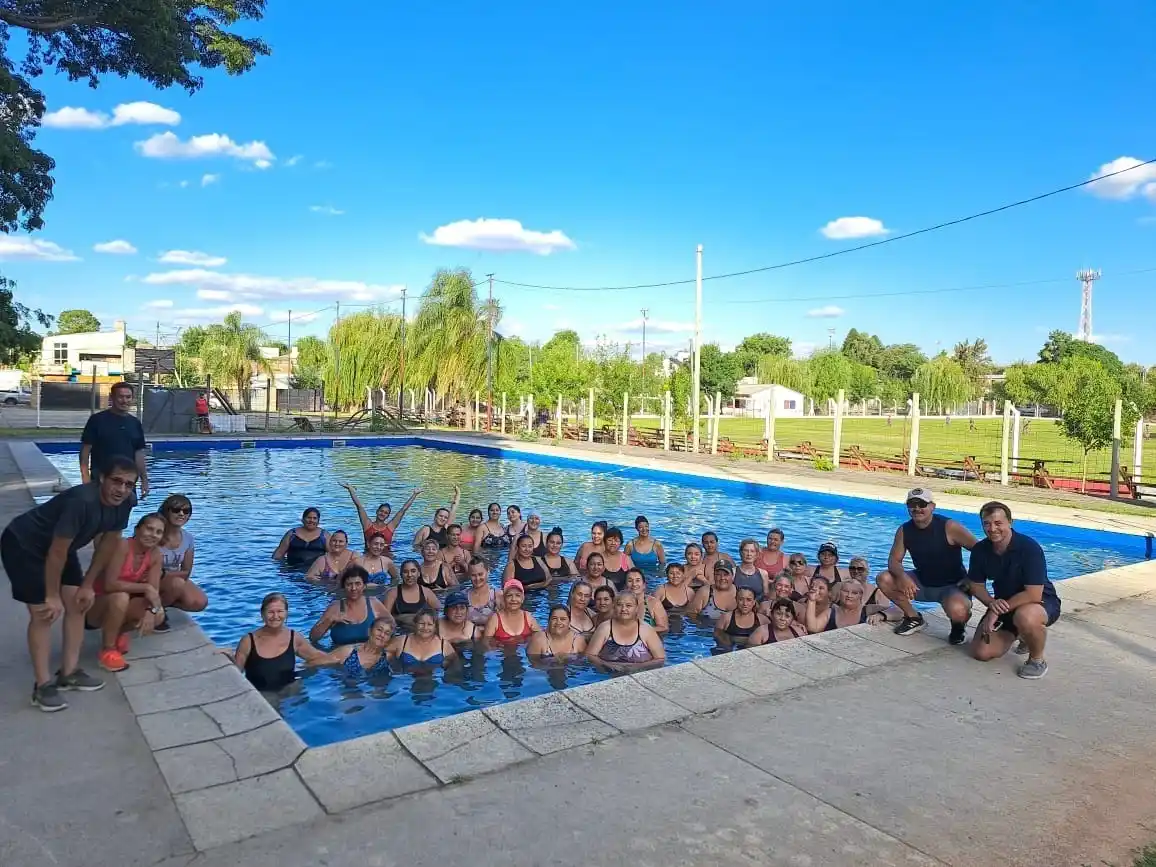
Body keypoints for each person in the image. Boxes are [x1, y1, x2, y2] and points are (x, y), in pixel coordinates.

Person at [0, 456, 139, 711]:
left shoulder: (126, 502)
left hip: (59, 549)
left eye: (129, 484)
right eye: (116, 481)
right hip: (24, 545)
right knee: (44, 613)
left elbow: (109, 542)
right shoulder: (81, 502)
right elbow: (56, 552)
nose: (121, 489)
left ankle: (69, 672)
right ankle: (42, 687)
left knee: (79, 603)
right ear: (101, 479)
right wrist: (52, 595)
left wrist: (87, 584)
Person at [967, 502, 1060, 680]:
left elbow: (1033, 594)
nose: (992, 528)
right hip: (1004, 603)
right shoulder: (981, 550)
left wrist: (996, 611)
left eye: (998, 523)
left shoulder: (1029, 548)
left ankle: (1036, 660)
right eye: (987, 523)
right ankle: (1022, 634)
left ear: (1010, 522)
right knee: (981, 652)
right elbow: (976, 585)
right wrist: (992, 604)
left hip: (1038, 601)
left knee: (1025, 617)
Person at [875, 487, 978, 644]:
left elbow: (980, 552)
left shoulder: (949, 527)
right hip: (921, 583)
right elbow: (893, 560)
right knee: (884, 578)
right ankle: (913, 617)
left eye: (922, 504)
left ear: (932, 506)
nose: (917, 508)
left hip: (952, 586)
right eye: (912, 504)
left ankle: (959, 626)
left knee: (958, 610)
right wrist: (902, 577)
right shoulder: (904, 530)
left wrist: (971, 578)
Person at [85, 512, 166, 672]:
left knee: (159, 614)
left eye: (158, 532)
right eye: (149, 529)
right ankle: (107, 650)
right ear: (137, 530)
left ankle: (117, 633)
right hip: (95, 606)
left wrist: (152, 610)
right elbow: (110, 584)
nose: (153, 535)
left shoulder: (156, 554)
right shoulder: (122, 546)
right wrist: (145, 588)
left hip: (121, 603)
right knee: (120, 597)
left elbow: (154, 591)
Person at [232, 593, 328, 693]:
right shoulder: (248, 641)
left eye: (280, 611)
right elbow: (235, 674)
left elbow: (318, 657)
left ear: (286, 613)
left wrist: (342, 653)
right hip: (262, 698)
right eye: (270, 612)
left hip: (290, 696)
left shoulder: (294, 638)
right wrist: (228, 658)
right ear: (262, 614)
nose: (275, 616)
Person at [79, 381, 149, 497]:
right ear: (112, 398)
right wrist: (85, 477)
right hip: (101, 481)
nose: (124, 400)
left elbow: (139, 454)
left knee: (124, 514)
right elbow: (85, 451)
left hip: (127, 481)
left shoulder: (135, 423)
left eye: (128, 397)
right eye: (120, 397)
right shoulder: (97, 420)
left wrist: (144, 480)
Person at [156, 493, 208, 623]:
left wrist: (165, 575)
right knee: (177, 583)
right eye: (176, 510)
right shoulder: (154, 533)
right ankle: (154, 609)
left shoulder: (188, 538)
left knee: (200, 602)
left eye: (186, 511)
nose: (181, 514)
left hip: (170, 577)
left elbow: (186, 572)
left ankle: (166, 602)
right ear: (167, 511)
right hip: (149, 578)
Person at [308, 566, 390, 646]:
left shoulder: (374, 603)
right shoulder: (335, 607)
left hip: (369, 655)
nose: (353, 588)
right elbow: (313, 638)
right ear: (344, 587)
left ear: (364, 586)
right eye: (349, 584)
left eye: (358, 584)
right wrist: (330, 620)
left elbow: (392, 628)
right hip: (340, 656)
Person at [586, 593, 666, 670]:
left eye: (628, 605)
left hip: (640, 673)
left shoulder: (646, 630)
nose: (624, 609)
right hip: (608, 674)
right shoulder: (605, 628)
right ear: (614, 607)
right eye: (619, 605)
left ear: (636, 608)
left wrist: (638, 667)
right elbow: (590, 655)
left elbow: (660, 659)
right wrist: (608, 665)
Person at [340, 483, 420, 550]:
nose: (382, 514)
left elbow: (403, 510)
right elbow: (359, 506)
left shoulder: (390, 527)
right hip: (368, 556)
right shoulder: (367, 525)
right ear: (377, 511)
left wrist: (414, 495)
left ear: (388, 516)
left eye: (386, 513)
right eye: (381, 511)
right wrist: (350, 490)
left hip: (386, 557)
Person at [316, 616, 396, 678]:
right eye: (379, 630)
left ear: (389, 639)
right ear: (369, 631)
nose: (382, 635)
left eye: (387, 633)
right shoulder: (348, 652)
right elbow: (316, 663)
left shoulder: (387, 657)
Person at [806, 577, 893, 633]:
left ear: (860, 596)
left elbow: (899, 611)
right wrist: (811, 600)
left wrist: (881, 615)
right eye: (846, 591)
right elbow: (813, 628)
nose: (849, 595)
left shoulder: (868, 610)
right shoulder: (831, 612)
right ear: (840, 593)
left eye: (854, 593)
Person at [383, 560, 441, 625]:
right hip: (399, 630)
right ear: (401, 574)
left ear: (419, 573)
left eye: (413, 571)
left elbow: (438, 612)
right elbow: (384, 618)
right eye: (405, 572)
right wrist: (402, 618)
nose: (409, 575)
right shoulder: (392, 593)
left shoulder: (427, 592)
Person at [390, 610, 456, 666]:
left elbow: (455, 668)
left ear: (435, 627)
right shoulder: (401, 641)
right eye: (421, 623)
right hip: (404, 680)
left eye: (429, 624)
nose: (425, 628)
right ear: (415, 624)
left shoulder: (444, 645)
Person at [412, 485, 461, 550]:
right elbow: (415, 546)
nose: (443, 518)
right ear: (435, 517)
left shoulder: (446, 529)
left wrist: (458, 494)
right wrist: (424, 551)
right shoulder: (425, 529)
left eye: (445, 517)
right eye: (441, 516)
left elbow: (454, 509)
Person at [624, 567, 669, 632]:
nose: (634, 584)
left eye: (638, 580)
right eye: (630, 581)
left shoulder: (653, 603)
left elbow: (664, 628)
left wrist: (638, 631)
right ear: (625, 585)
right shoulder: (620, 604)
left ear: (644, 585)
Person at [464, 557, 499, 626]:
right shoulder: (462, 596)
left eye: (480, 574)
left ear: (488, 572)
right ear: (469, 575)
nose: (477, 578)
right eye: (473, 575)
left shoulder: (497, 595)